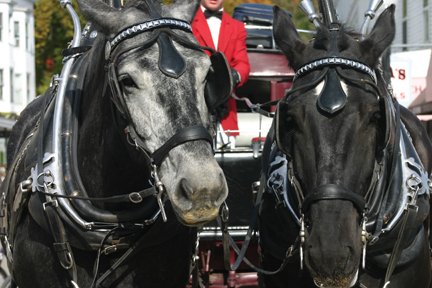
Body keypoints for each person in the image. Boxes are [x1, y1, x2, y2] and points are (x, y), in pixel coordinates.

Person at [192, 0, 250, 148]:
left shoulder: (237, 27)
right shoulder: (187, 22)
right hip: (193, 110)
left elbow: (243, 64)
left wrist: (231, 77)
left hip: (226, 113)